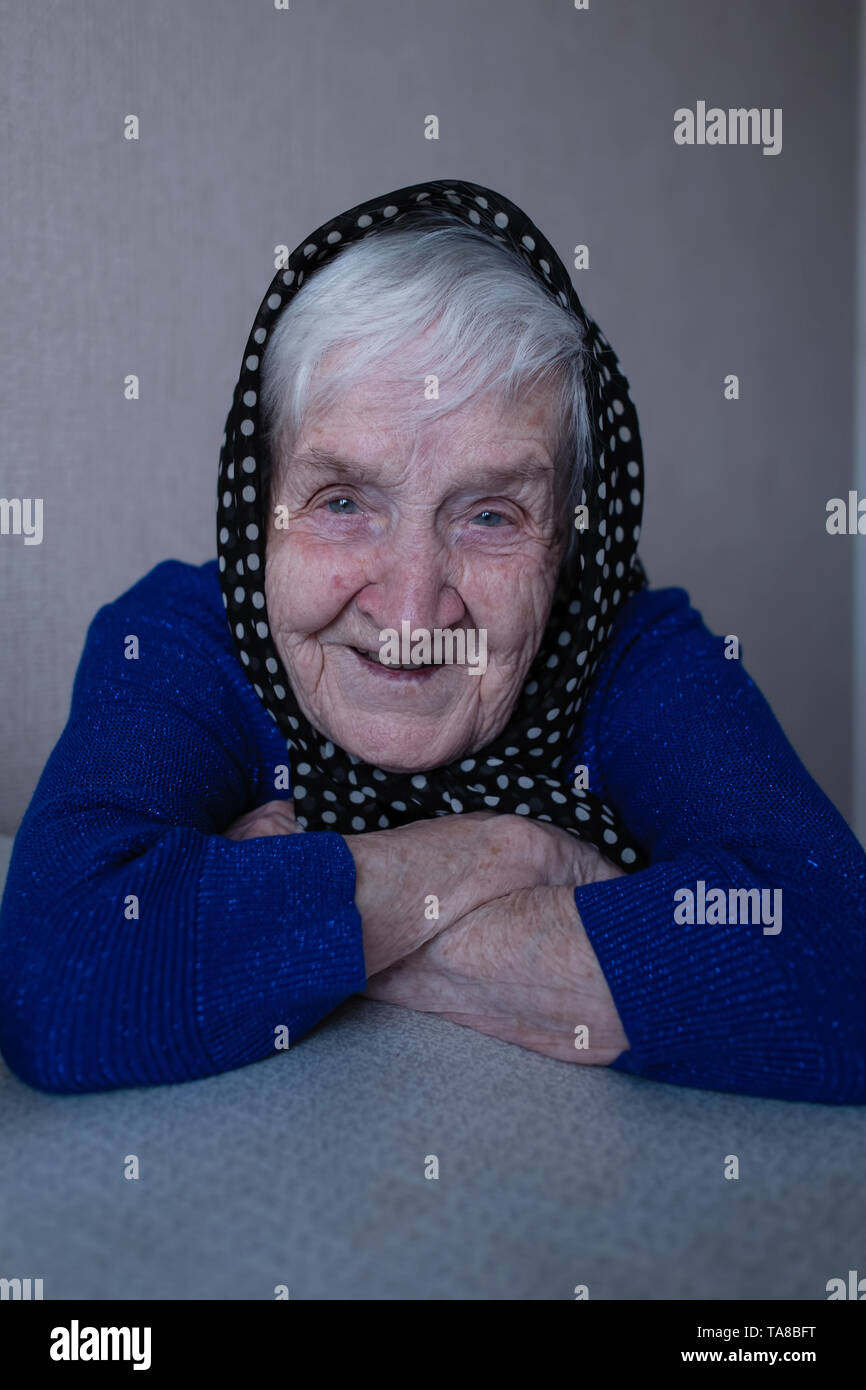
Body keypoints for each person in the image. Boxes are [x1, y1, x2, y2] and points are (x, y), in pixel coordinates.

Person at [0, 179, 863, 1101]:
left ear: (567, 543)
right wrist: (502, 857)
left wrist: (280, 915)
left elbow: (839, 959)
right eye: (341, 502)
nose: (412, 614)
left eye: (492, 516)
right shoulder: (182, 640)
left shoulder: (632, 656)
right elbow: (58, 975)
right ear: (260, 511)